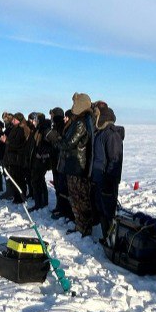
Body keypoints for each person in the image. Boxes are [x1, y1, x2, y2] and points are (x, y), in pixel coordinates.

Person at [58, 93, 96, 236]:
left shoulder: (80, 122)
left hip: (77, 167)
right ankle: (80, 225)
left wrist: (57, 141)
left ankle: (84, 227)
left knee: (80, 198)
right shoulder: (81, 120)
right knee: (76, 198)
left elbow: (70, 142)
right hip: (75, 166)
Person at [90, 103, 125, 236]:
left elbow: (115, 160)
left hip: (107, 182)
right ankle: (106, 238)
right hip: (99, 179)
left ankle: (111, 240)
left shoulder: (111, 135)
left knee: (108, 213)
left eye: (96, 115)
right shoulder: (100, 133)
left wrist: (109, 182)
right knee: (101, 210)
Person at [2, 110, 34, 205]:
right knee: (15, 178)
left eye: (15, 119)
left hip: (18, 158)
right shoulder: (15, 128)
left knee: (19, 179)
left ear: (19, 120)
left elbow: (19, 144)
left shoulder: (22, 129)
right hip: (13, 157)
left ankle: (20, 197)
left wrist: (6, 141)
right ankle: (17, 196)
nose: (13, 121)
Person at [29, 112, 56, 212]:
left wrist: (42, 154)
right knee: (39, 180)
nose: (33, 122)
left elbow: (50, 145)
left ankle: (39, 203)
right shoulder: (39, 129)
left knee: (37, 180)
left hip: (42, 160)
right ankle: (42, 202)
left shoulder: (45, 130)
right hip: (38, 159)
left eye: (35, 120)